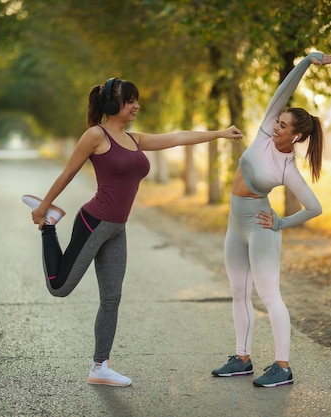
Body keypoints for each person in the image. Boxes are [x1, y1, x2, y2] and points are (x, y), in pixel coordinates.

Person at [22, 77, 242, 387]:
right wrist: (44, 207)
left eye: (136, 100)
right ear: (113, 105)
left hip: (117, 229)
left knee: (112, 299)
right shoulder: (95, 136)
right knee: (60, 288)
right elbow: (67, 173)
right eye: (130, 101)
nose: (137, 105)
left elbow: (177, 137)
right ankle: (50, 228)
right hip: (93, 222)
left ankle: (100, 366)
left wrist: (220, 133)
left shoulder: (134, 139)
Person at [211, 52, 331, 387]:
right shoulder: (267, 131)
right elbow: (284, 89)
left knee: (269, 296)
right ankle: (242, 358)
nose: (274, 125)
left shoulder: (287, 168)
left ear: (295, 136)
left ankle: (283, 366)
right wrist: (309, 61)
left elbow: (314, 207)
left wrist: (280, 223)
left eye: (282, 125)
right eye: (277, 121)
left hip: (260, 228)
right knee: (239, 292)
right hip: (235, 223)